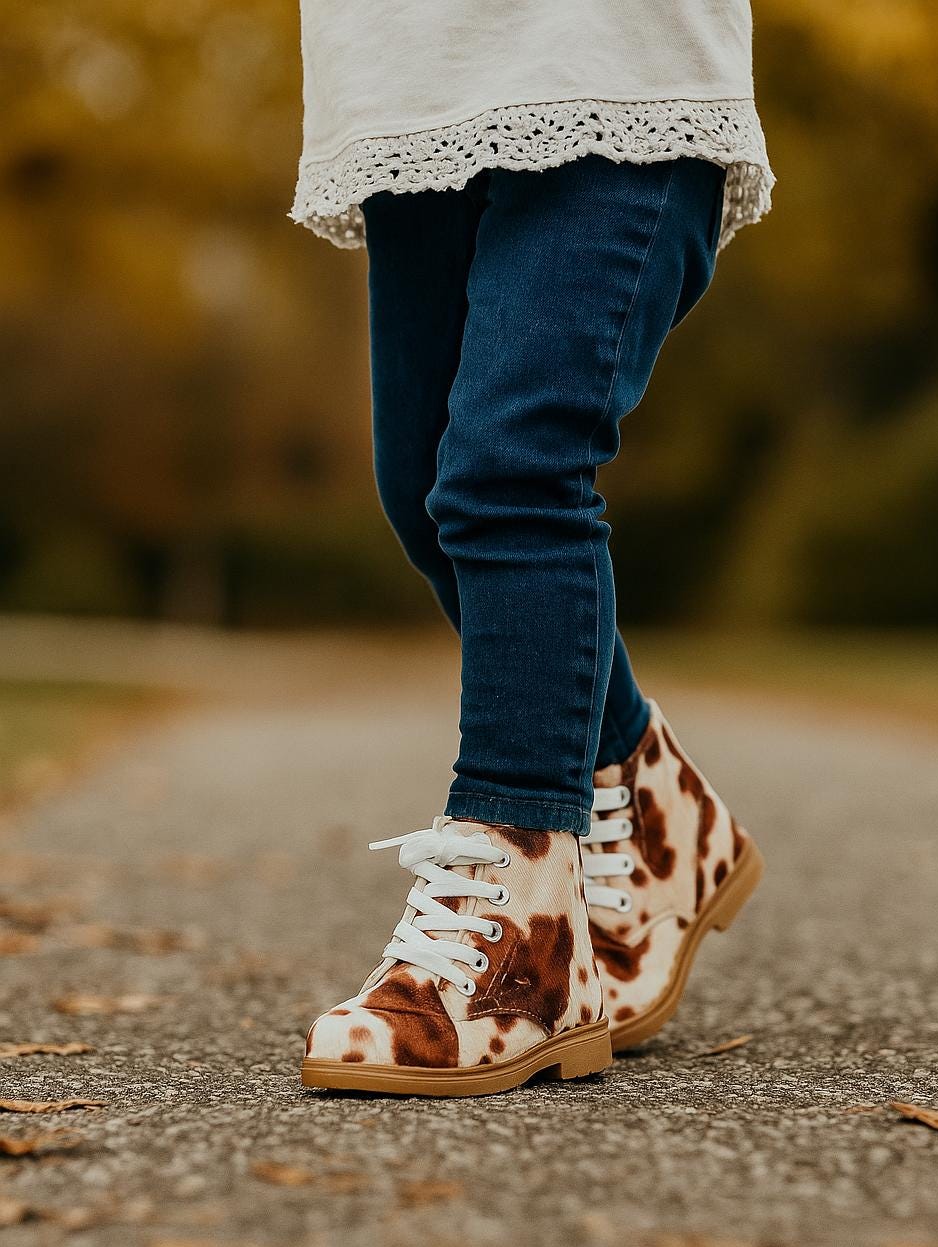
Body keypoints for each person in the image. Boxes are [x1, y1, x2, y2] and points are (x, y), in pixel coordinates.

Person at [292, 2, 772, 1096]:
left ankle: (526, 949)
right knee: (425, 493)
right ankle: (659, 802)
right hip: (408, 79)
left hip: (605, 61)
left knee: (511, 471)